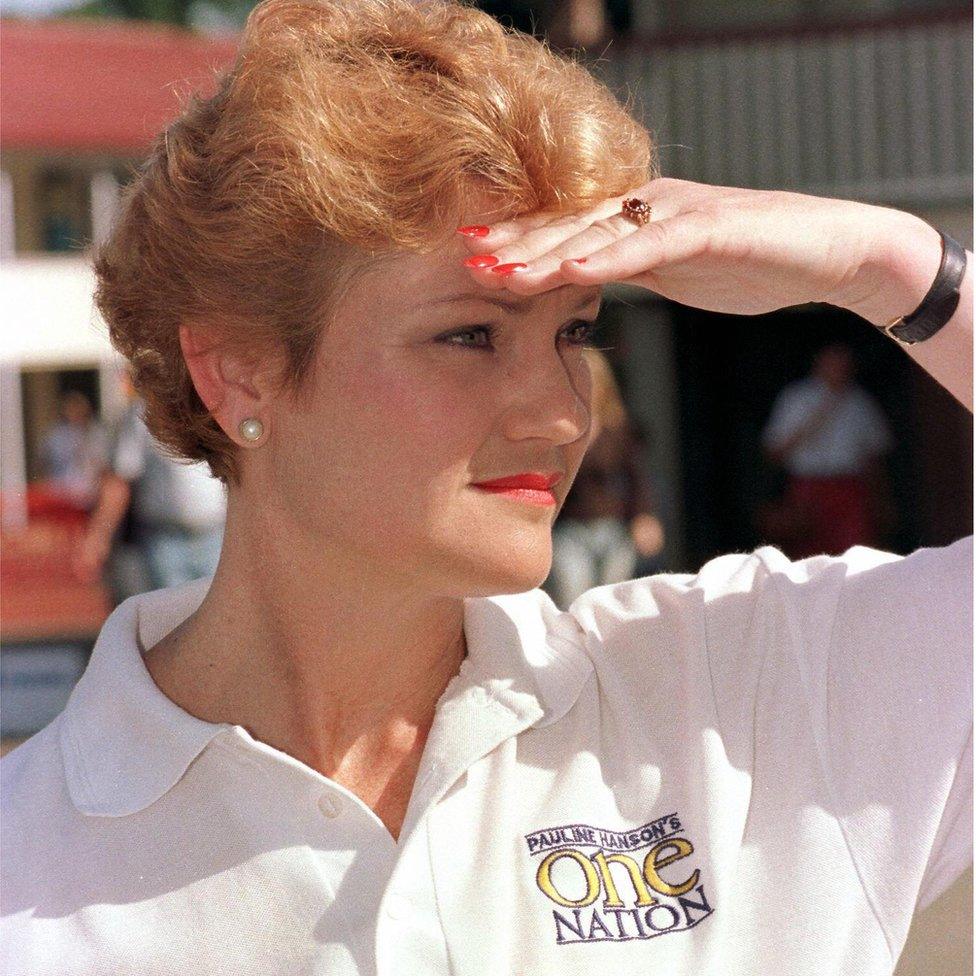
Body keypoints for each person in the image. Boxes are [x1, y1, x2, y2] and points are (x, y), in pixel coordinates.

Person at [1, 2, 970, 974]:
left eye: (573, 331)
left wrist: (891, 269)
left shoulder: (742, 690)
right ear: (239, 372)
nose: (561, 412)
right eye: (470, 334)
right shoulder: (29, 866)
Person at [73, 371, 227, 595]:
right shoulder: (142, 413)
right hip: (165, 540)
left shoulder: (217, 405)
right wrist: (97, 539)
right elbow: (119, 482)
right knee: (173, 619)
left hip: (217, 536)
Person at [546, 348, 663, 607]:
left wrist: (645, 517)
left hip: (614, 529)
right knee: (572, 593)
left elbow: (637, 479)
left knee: (612, 597)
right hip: (570, 528)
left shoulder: (619, 430)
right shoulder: (558, 429)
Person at [760, 342, 894, 557]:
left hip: (849, 488)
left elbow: (875, 457)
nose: (838, 369)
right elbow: (774, 451)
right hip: (807, 487)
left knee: (855, 554)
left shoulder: (860, 403)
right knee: (809, 556)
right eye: (832, 363)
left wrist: (882, 501)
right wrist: (820, 411)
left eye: (843, 364)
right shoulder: (796, 398)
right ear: (819, 364)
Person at [38, 390, 109, 514]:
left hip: (92, 494)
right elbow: (44, 462)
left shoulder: (98, 432)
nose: (76, 412)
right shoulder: (56, 435)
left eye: (79, 408)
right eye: (72, 409)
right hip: (61, 494)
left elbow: (103, 464)